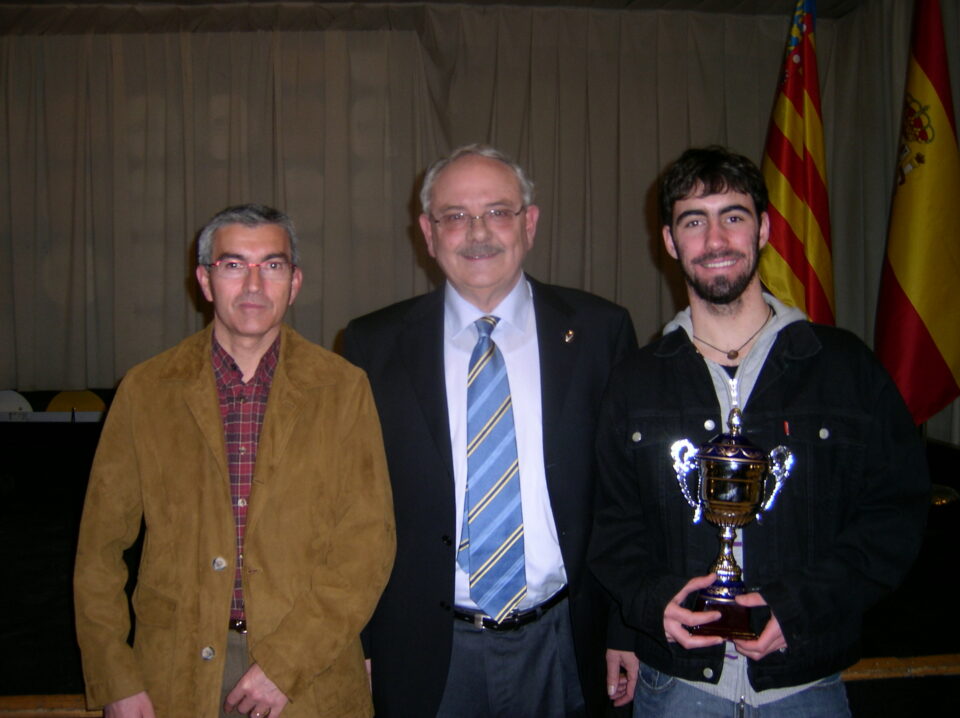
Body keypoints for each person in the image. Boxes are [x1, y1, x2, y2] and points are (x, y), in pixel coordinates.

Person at [588, 146, 930, 716]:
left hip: (805, 687)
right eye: (693, 220)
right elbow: (609, 526)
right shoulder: (635, 382)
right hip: (675, 689)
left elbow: (893, 517)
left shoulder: (844, 368)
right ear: (670, 242)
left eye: (734, 216)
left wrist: (797, 608)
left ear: (764, 229)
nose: (715, 238)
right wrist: (653, 604)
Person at [343, 144, 638, 717]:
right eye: (455, 216)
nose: (477, 232)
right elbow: (351, 505)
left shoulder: (602, 332)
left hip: (565, 640)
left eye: (497, 212)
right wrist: (365, 641)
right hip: (427, 649)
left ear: (529, 223)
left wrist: (625, 628)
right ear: (428, 234)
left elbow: (624, 498)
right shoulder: (371, 345)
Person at [74, 204, 396, 718]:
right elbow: (98, 551)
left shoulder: (342, 389)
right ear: (205, 280)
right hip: (172, 678)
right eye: (232, 265)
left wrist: (285, 664)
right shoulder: (146, 390)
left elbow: (367, 545)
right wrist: (115, 676)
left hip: (307, 677)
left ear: (294, 283)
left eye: (272, 265)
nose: (253, 284)